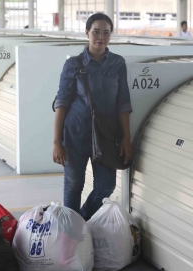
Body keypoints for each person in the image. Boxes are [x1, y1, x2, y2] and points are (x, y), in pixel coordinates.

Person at [53, 13, 133, 221]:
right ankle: (71, 236)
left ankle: (80, 223)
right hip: (75, 135)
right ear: (87, 33)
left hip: (106, 137)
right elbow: (61, 104)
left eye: (106, 33)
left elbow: (123, 103)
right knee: (73, 186)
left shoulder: (117, 63)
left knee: (106, 186)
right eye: (96, 32)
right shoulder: (73, 65)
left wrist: (126, 138)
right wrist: (57, 142)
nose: (101, 37)